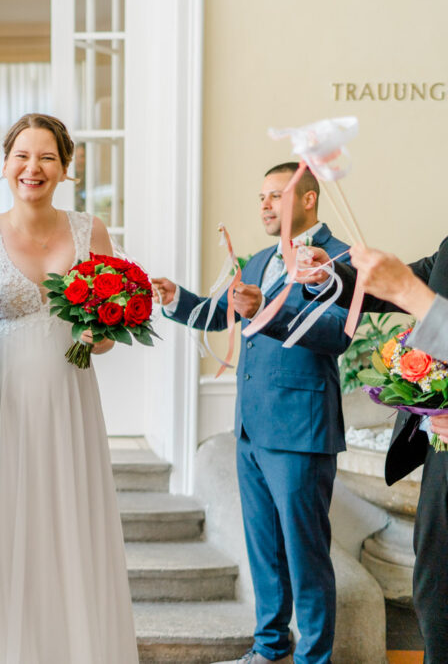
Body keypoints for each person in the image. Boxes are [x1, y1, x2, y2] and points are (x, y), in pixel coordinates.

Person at [0, 113, 138, 663]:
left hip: (68, 406)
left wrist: (100, 332)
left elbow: (105, 340)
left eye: (47, 157)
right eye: (22, 156)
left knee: (65, 533)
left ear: (65, 168)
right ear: (4, 165)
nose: (34, 168)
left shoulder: (90, 231)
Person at [152, 163, 351, 664]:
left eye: (276, 195)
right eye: (260, 196)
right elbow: (223, 314)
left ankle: (314, 658)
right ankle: (269, 648)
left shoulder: (340, 259)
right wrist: (178, 300)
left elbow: (335, 334)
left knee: (306, 556)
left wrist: (268, 306)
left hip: (302, 430)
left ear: (308, 199)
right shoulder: (260, 259)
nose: (264, 205)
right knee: (263, 551)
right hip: (250, 427)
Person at [296, 237, 448, 661]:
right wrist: (328, 276)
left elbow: (409, 290)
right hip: (443, 459)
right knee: (437, 596)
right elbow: (388, 285)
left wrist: (409, 292)